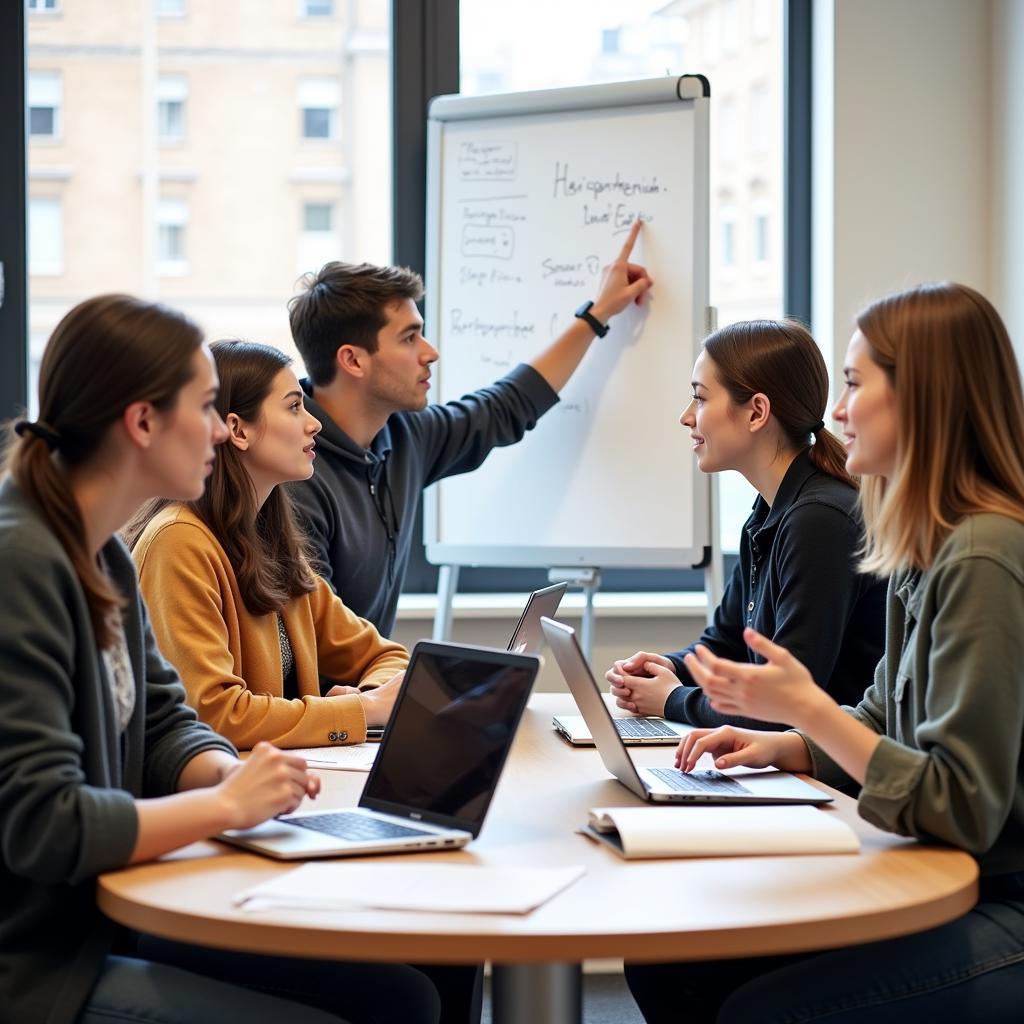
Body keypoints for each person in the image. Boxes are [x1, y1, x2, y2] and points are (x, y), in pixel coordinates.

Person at [0, 295, 440, 1024]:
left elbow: (170, 721)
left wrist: (231, 774)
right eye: (205, 408)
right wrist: (225, 805)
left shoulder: (99, 550)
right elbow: (47, 823)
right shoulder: (24, 562)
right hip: (43, 963)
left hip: (100, 914)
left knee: (407, 995)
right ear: (142, 423)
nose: (218, 430)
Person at [626, 282, 1024, 1023]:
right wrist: (786, 745)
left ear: (925, 396)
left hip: (995, 896)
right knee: (672, 963)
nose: (836, 413)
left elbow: (962, 805)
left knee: (754, 1007)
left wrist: (805, 712)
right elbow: (878, 713)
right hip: (939, 866)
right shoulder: (924, 545)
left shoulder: (983, 556)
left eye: (853, 384)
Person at [285, 221, 652, 635]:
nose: (431, 352)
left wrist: (597, 313)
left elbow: (505, 406)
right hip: (329, 698)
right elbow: (323, 640)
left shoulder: (404, 434)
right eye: (409, 339)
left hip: (372, 686)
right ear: (353, 360)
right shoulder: (294, 474)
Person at [127, 340, 409, 751]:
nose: (314, 424)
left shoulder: (273, 545)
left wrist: (368, 696)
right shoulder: (178, 542)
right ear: (238, 430)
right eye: (295, 407)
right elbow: (213, 714)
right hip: (219, 800)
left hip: (277, 783)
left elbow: (384, 657)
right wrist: (362, 710)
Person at [606, 319, 886, 729]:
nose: (686, 417)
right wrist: (666, 667)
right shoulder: (770, 512)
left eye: (700, 399)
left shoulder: (820, 521)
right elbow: (725, 643)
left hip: (829, 784)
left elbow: (784, 702)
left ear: (756, 412)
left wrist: (672, 700)